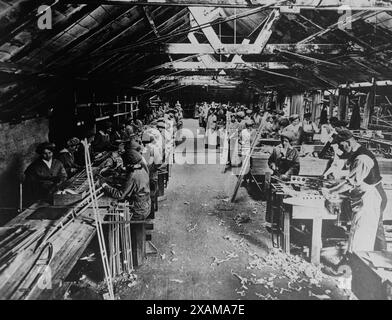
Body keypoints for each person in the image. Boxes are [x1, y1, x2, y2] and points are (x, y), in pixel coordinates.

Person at [322, 128, 387, 252]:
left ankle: (370, 262)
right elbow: (353, 176)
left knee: (364, 232)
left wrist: (331, 192)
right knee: (367, 230)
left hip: (372, 197)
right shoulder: (356, 153)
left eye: (341, 145)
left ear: (349, 142)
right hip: (366, 195)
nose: (340, 149)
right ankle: (370, 258)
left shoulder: (362, 158)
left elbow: (350, 183)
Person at [101, 154, 151, 220]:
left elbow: (119, 195)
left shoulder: (132, 175)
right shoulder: (143, 170)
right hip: (146, 206)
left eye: (125, 164)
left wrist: (105, 185)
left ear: (130, 164)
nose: (124, 166)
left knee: (109, 218)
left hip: (137, 211)